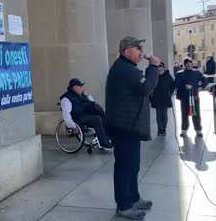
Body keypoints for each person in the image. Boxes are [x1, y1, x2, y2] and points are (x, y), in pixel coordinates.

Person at [106, 36, 159, 220]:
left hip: (129, 126)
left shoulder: (127, 68)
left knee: (133, 166)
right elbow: (147, 88)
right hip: (123, 127)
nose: (141, 51)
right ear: (127, 51)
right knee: (124, 167)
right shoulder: (125, 69)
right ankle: (124, 205)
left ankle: (133, 198)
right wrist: (153, 67)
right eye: (138, 48)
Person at [60, 78, 113, 149]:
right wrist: (72, 126)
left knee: (102, 115)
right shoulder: (66, 99)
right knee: (97, 119)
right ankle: (103, 142)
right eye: (80, 86)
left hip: (85, 114)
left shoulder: (81, 95)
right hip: (78, 118)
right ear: (74, 87)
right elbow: (66, 114)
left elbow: (91, 103)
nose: (83, 88)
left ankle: (106, 137)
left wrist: (87, 95)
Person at [175, 57, 208, 137]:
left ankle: (198, 130)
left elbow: (205, 80)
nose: (189, 65)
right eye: (187, 64)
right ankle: (184, 130)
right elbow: (176, 84)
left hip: (195, 97)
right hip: (184, 97)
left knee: (196, 114)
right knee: (184, 114)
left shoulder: (196, 72)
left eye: (190, 63)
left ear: (192, 64)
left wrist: (201, 87)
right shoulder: (179, 73)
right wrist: (184, 86)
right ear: (184, 65)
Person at [149, 62, 175, 136]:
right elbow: (150, 86)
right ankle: (160, 129)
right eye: (158, 70)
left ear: (164, 69)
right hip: (157, 99)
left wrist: (169, 93)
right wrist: (151, 96)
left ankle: (164, 128)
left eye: (161, 70)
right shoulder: (154, 77)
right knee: (158, 114)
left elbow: (172, 85)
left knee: (164, 114)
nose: (160, 71)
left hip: (165, 98)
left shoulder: (168, 76)